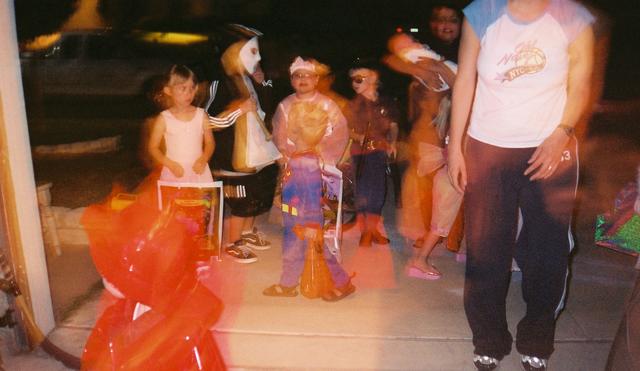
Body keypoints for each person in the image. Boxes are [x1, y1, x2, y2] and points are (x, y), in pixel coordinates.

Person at [446, 0, 595, 369]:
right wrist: (455, 146)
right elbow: (465, 79)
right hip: (487, 146)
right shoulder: (481, 12)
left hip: (550, 149)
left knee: (547, 251)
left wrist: (562, 133)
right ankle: (488, 338)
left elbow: (581, 84)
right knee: (485, 250)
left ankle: (537, 338)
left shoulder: (572, 17)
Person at [384, 2, 465, 255]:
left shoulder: (469, 48)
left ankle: (454, 235)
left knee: (457, 182)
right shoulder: (423, 47)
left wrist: (439, 69)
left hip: (458, 124)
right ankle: (433, 231)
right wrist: (416, 67)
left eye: (452, 20)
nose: (445, 25)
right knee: (426, 182)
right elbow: (389, 58)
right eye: (440, 19)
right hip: (425, 126)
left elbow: (466, 85)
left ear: (462, 23)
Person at [264, 100, 355, 301]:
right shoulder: (300, 157)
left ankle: (343, 283)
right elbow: (296, 188)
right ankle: (287, 284)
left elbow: (313, 196)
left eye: (289, 126)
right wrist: (283, 200)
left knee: (321, 254)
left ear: (295, 133)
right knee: (292, 252)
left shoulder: (306, 163)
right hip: (294, 219)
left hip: (306, 221)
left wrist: (313, 224)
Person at [206, 25, 281, 264]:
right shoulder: (220, 82)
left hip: (255, 154)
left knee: (255, 196)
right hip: (232, 157)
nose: (258, 57)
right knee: (239, 200)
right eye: (251, 52)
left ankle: (247, 233)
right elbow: (206, 120)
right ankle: (232, 242)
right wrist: (236, 110)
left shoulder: (246, 79)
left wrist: (262, 84)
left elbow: (263, 110)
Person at [344, 65, 399, 247]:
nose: (354, 82)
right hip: (360, 154)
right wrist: (359, 136)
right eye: (352, 79)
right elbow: (345, 129)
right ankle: (365, 233)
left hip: (379, 152)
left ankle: (372, 230)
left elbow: (393, 125)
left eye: (359, 78)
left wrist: (393, 142)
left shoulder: (386, 102)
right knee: (363, 192)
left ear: (372, 78)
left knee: (378, 192)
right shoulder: (353, 105)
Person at [148, 65, 214, 183]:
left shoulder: (201, 115)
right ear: (168, 90)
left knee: (201, 202)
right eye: (183, 88)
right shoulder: (164, 118)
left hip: (198, 172)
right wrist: (170, 164)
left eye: (192, 88)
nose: (189, 93)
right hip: (174, 173)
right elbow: (153, 148)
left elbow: (210, 143)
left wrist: (203, 159)